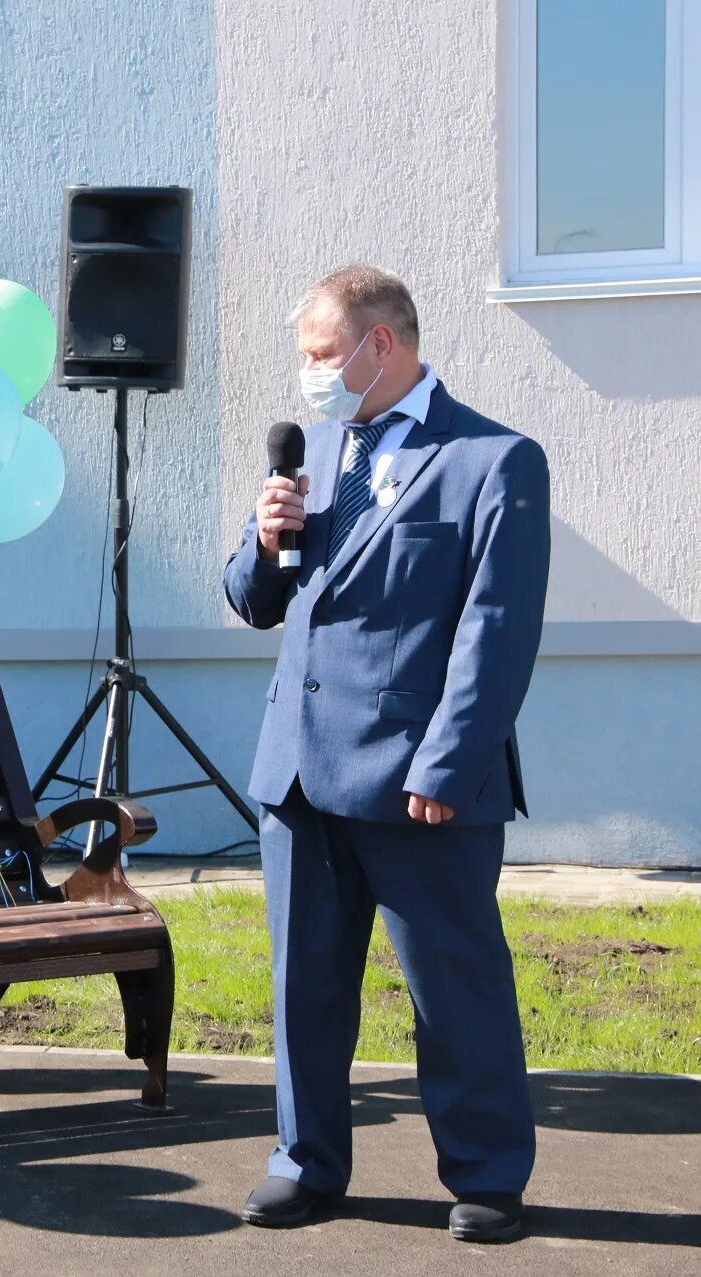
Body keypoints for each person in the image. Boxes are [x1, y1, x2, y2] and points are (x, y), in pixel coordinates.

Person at [222, 265, 549, 1244]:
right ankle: (303, 1158)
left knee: (453, 989)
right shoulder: (311, 450)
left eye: (319, 354)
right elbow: (251, 598)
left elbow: (494, 629)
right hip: (297, 771)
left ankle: (486, 1171)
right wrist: (267, 538)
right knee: (302, 988)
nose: (306, 375)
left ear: (381, 344)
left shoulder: (491, 459)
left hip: (418, 781)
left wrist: (445, 765)